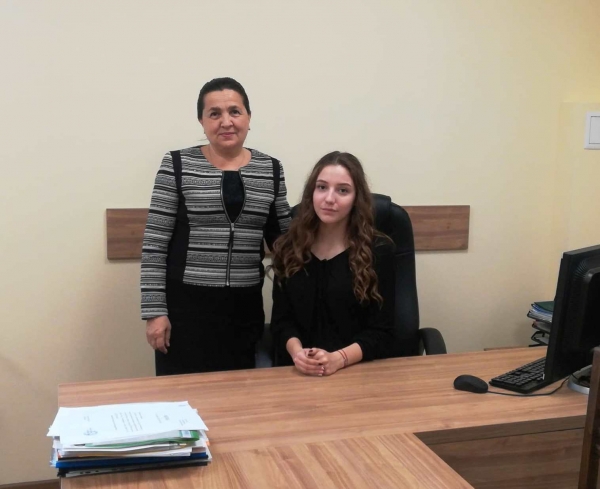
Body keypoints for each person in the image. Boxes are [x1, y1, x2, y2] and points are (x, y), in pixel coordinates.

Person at [141, 77, 291, 375]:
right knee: (182, 395)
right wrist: (155, 312)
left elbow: (285, 242)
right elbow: (154, 244)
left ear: (248, 117)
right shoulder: (176, 165)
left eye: (235, 111)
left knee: (237, 395)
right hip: (185, 311)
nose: (226, 122)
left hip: (244, 310)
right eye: (214, 114)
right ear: (202, 121)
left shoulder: (271, 169)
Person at [270, 151, 395, 376]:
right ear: (311, 192)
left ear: (356, 198)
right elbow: (281, 322)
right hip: (299, 372)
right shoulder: (289, 248)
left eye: (343, 190)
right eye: (322, 187)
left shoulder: (378, 251)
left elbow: (382, 331)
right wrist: (298, 354)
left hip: (359, 372)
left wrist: (338, 359)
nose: (329, 198)